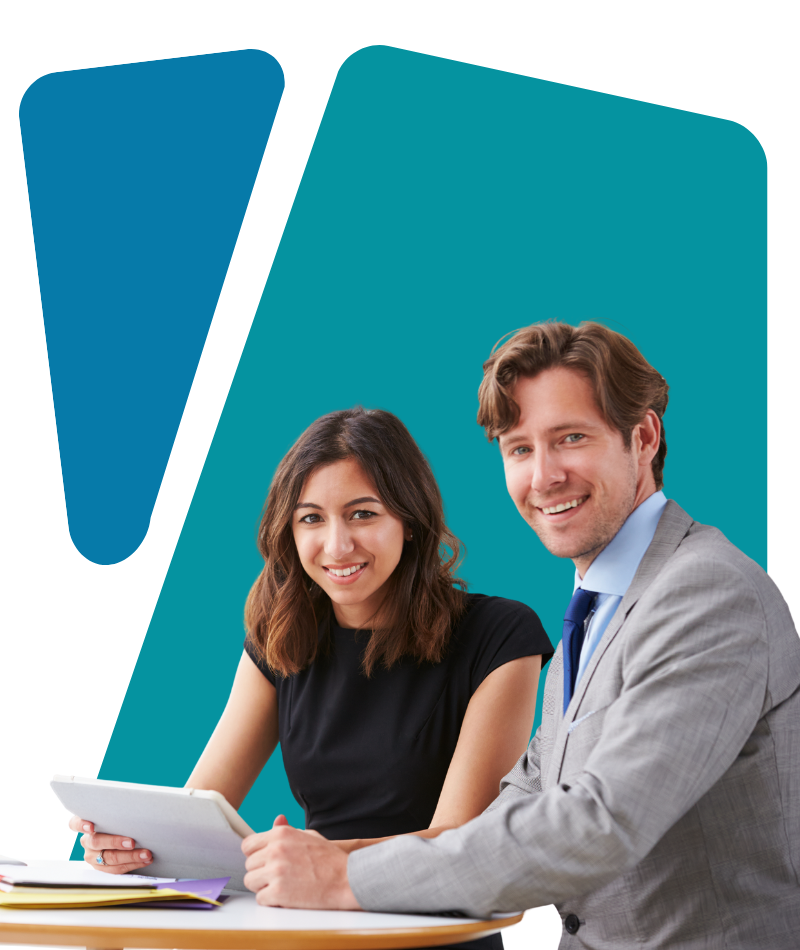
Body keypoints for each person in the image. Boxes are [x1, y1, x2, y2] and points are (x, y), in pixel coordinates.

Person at [236, 322, 800, 950]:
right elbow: (516, 815)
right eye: (519, 449)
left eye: (571, 438)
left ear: (642, 438)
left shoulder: (705, 591)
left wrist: (345, 878)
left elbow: (599, 826)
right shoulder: (598, 606)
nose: (544, 476)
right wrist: (318, 859)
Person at [69, 408, 554, 905]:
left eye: (363, 514)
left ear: (409, 521)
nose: (337, 545)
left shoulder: (500, 635)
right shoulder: (281, 640)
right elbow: (199, 812)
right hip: (312, 924)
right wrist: (134, 846)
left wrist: (316, 864)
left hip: (438, 931)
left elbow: (463, 844)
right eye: (311, 519)